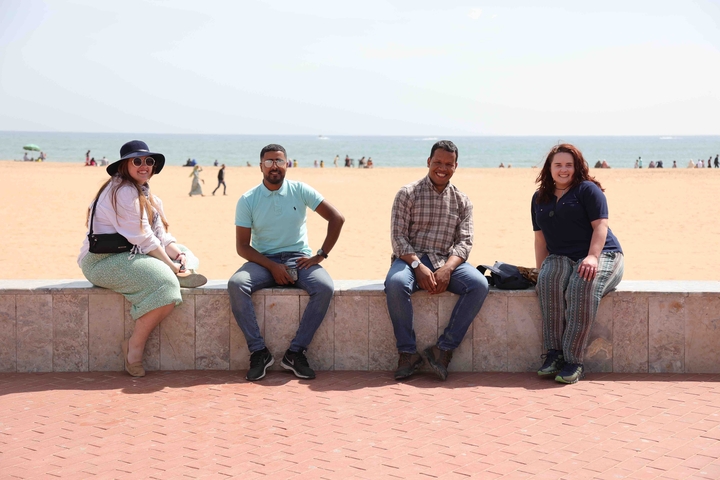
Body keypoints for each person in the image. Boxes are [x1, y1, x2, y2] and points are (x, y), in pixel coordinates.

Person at [77, 140, 207, 377]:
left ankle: (176, 274)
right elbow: (144, 239)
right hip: (102, 261)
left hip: (131, 254)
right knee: (167, 283)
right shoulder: (124, 192)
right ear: (125, 165)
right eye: (137, 161)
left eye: (149, 161)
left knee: (189, 255)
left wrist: (178, 256)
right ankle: (133, 348)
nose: (144, 165)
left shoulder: (147, 195)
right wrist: (172, 268)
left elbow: (161, 236)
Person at [228, 144, 345, 381]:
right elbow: (242, 247)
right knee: (237, 284)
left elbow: (337, 218)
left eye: (279, 161)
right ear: (260, 165)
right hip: (262, 261)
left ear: (287, 164)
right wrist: (272, 266)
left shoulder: (300, 190)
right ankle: (259, 352)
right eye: (269, 161)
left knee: (324, 287)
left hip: (298, 258)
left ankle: (295, 352)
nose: (274, 166)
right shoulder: (248, 199)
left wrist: (321, 255)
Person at [385, 140, 489, 382]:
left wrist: (447, 270)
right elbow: (398, 238)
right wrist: (417, 266)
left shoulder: (462, 200)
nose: (442, 168)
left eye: (448, 164)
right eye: (438, 162)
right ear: (428, 162)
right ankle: (407, 354)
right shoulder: (407, 193)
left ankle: (442, 350)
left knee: (479, 285)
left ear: (455, 167)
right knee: (396, 284)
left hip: (446, 259)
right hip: (410, 259)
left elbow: (465, 242)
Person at [533, 144, 624, 384]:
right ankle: (554, 354)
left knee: (580, 287)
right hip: (562, 257)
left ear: (577, 167)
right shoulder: (539, 197)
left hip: (603, 254)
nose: (563, 170)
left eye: (568, 165)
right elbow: (540, 239)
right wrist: (541, 269)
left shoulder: (588, 190)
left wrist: (593, 256)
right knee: (547, 282)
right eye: (558, 165)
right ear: (549, 168)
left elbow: (600, 227)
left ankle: (574, 361)